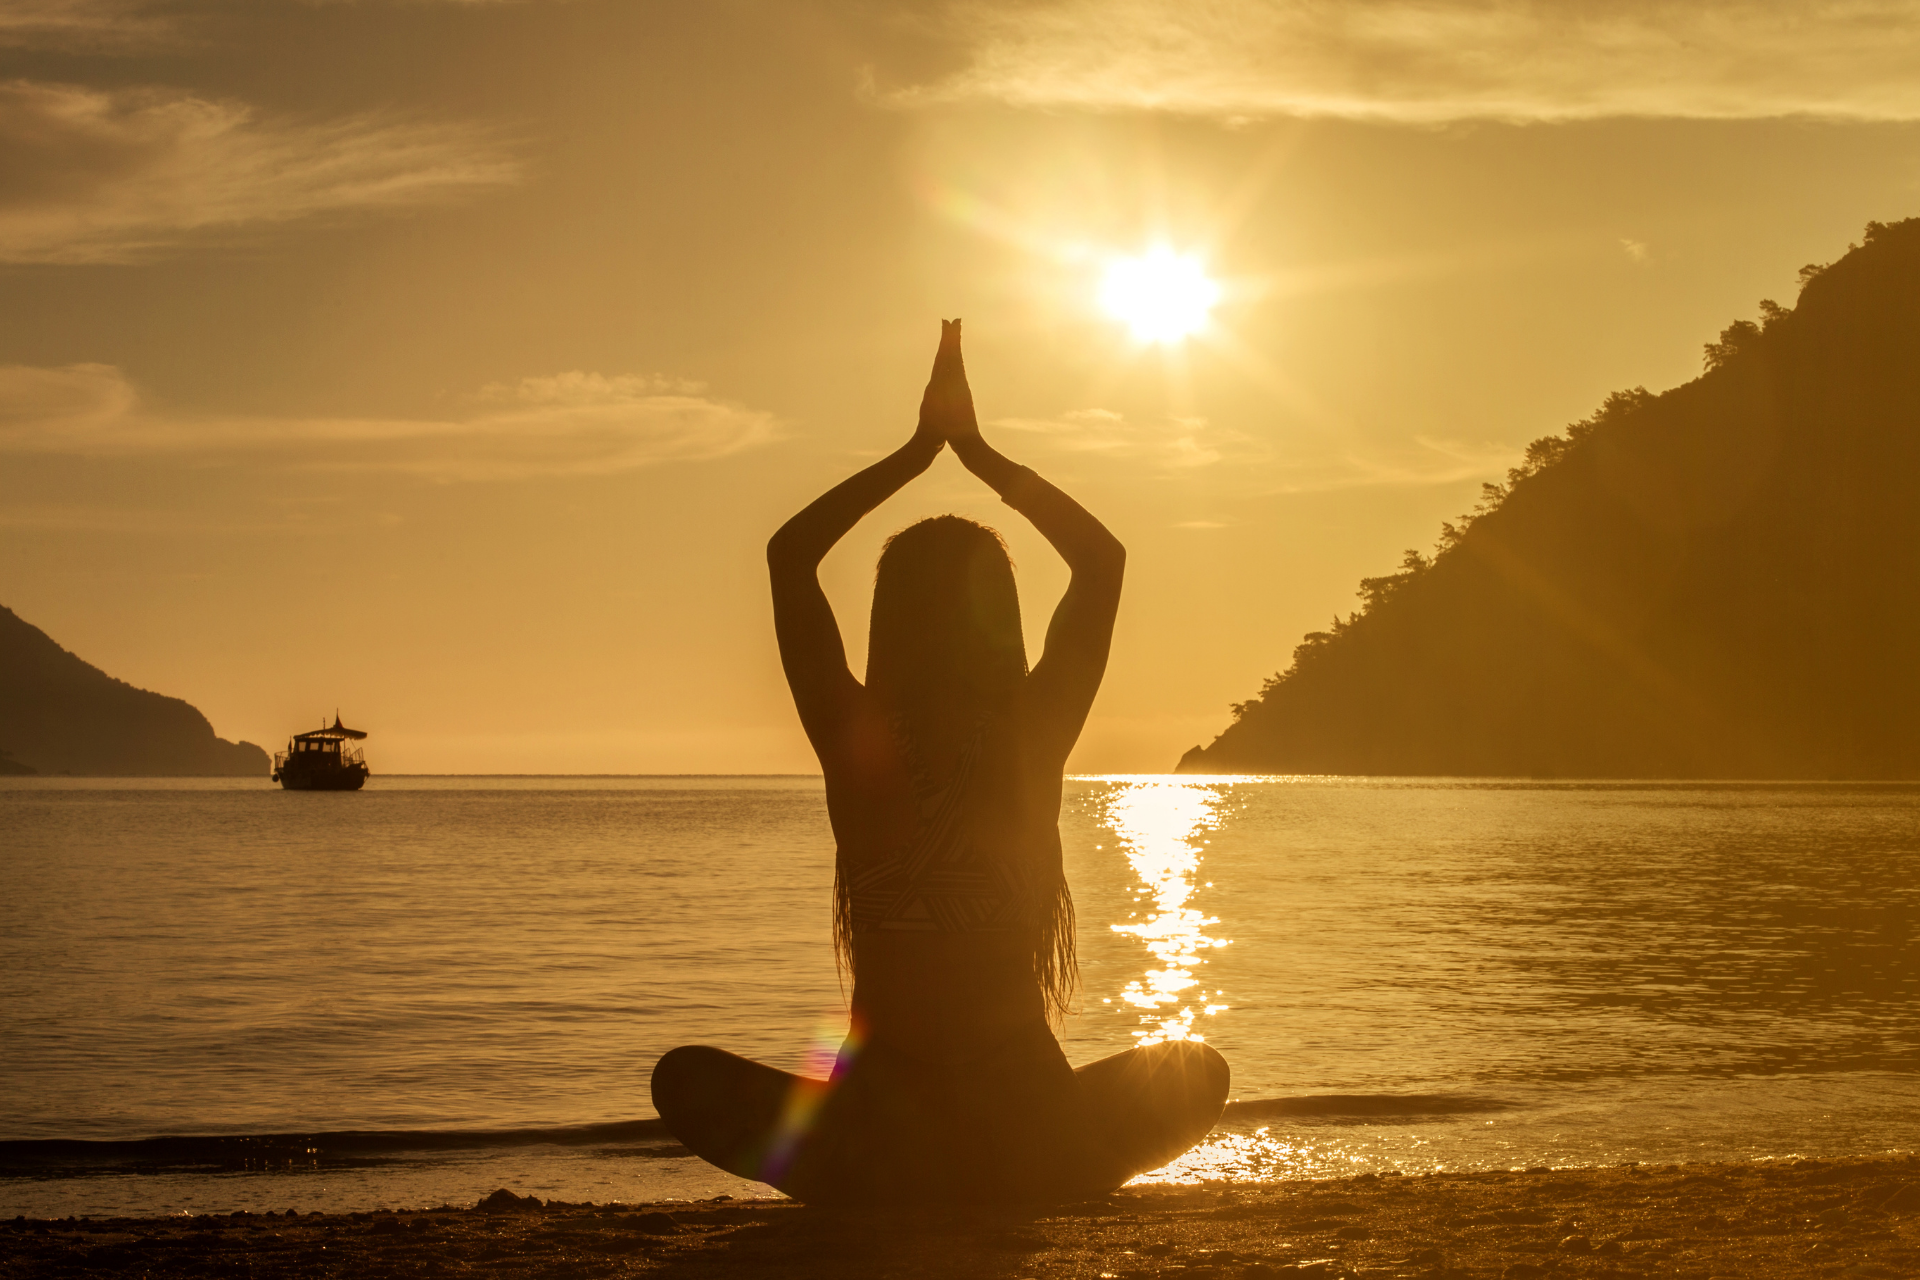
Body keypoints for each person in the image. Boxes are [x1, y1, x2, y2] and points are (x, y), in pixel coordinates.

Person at [651, 320, 1229, 1203]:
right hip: (1022, 1117)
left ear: (890, 620)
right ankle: (1045, 1171)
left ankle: (893, 1176)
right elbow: (1101, 562)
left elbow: (789, 557)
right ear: (1000, 620)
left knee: (684, 1079)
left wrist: (918, 455)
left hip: (882, 1121)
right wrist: (978, 455)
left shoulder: (855, 735)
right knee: (1196, 1072)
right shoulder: (1034, 730)